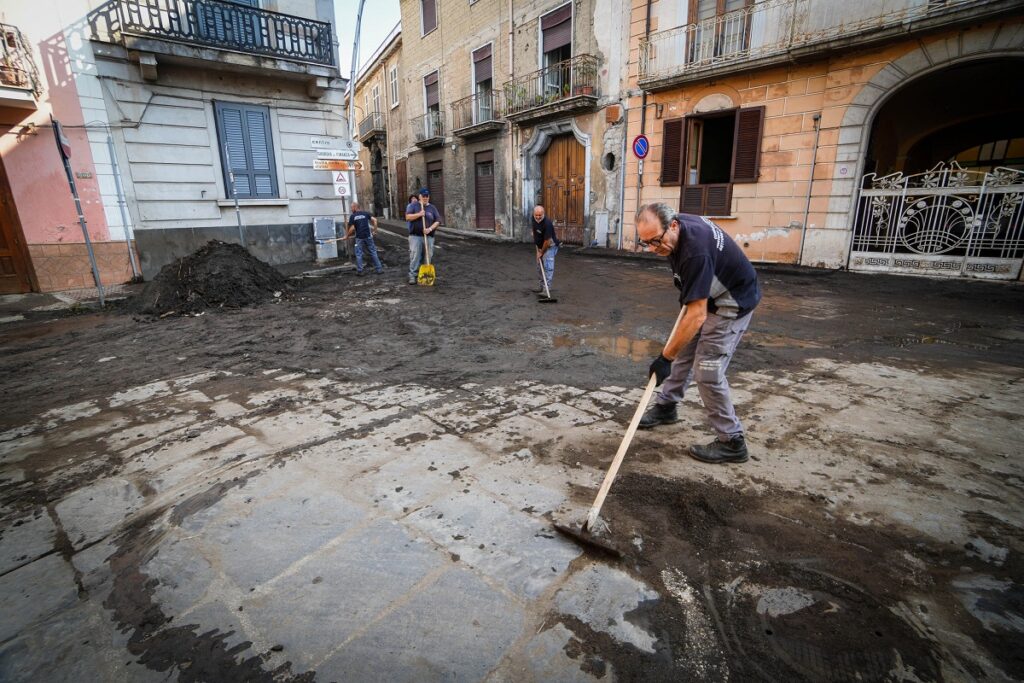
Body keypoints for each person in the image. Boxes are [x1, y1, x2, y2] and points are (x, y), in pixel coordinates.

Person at [634, 203, 761, 464]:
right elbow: (693, 306)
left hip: (731, 302)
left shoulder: (695, 253)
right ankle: (667, 407)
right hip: (710, 294)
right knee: (682, 349)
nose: (653, 248)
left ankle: (732, 441)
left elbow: (697, 314)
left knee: (708, 370)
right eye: (646, 243)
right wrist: (673, 351)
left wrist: (664, 358)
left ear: (673, 225)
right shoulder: (677, 231)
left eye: (656, 241)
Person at [404, 188, 442, 285]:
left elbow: (438, 221)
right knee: (415, 256)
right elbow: (408, 217)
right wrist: (419, 214)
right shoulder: (413, 206)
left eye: (427, 196)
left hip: (429, 237)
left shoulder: (432, 208)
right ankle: (413, 275)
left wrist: (429, 229)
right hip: (415, 236)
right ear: (420, 196)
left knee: (428, 256)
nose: (425, 198)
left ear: (429, 197)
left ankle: (425, 274)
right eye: (423, 196)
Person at [346, 201, 384, 276]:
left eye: (351, 208)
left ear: (355, 207)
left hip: (359, 238)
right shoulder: (365, 213)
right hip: (368, 236)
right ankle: (379, 269)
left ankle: (360, 271)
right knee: (373, 252)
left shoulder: (353, 216)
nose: (351, 209)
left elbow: (352, 228)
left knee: (359, 254)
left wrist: (346, 236)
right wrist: (374, 231)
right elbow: (375, 220)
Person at [531, 205, 560, 296]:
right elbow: (534, 227)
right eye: (536, 215)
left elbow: (547, 242)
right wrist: (534, 235)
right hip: (540, 246)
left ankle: (546, 289)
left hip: (550, 246)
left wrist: (541, 252)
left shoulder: (547, 223)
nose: (538, 217)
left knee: (548, 268)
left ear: (543, 214)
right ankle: (541, 286)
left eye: (540, 215)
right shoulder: (533, 218)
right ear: (534, 214)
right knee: (539, 267)